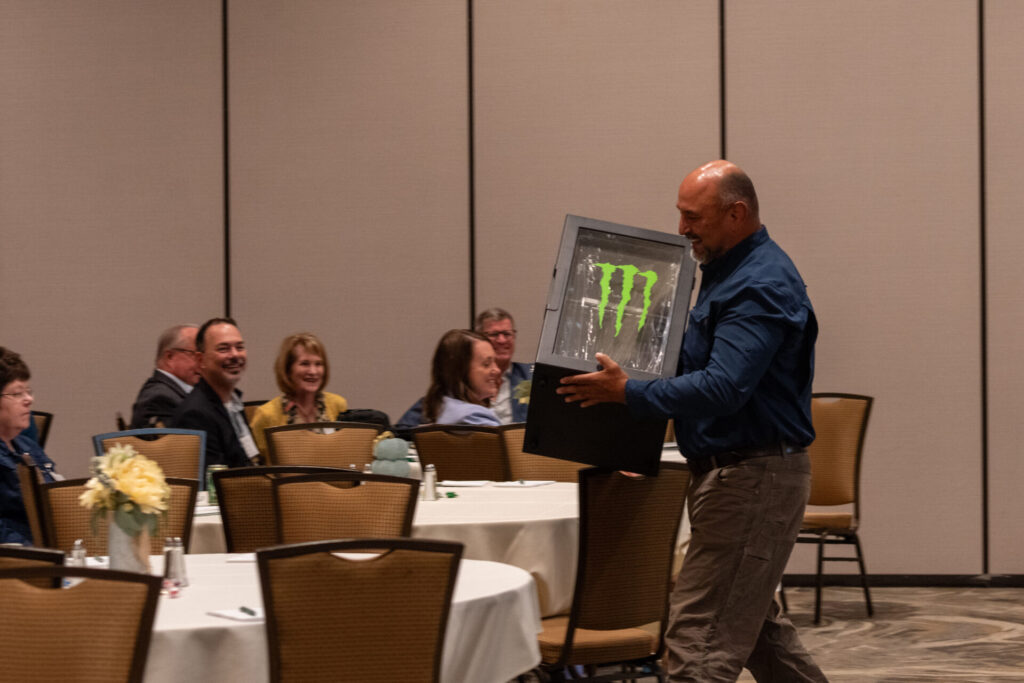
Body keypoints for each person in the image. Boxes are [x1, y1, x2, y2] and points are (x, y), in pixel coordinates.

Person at [557, 160, 826, 682]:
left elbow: (723, 388)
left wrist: (629, 395)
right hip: (735, 475)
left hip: (752, 478)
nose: (682, 229)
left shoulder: (759, 284)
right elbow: (688, 371)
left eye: (692, 216)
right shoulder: (723, 276)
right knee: (757, 637)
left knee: (696, 646)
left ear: (736, 213)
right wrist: (632, 439)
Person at [395, 309, 532, 431]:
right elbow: (402, 430)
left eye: (507, 334)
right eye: (494, 334)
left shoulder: (531, 376)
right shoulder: (474, 415)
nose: (502, 340)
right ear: (462, 368)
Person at [172, 318, 258, 471]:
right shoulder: (195, 414)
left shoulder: (233, 403)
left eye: (239, 347)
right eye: (223, 349)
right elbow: (215, 482)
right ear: (200, 360)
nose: (235, 355)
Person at [248, 332, 349, 457]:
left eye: (318, 364)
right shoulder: (266, 415)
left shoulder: (337, 405)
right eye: (305, 364)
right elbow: (256, 467)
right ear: (288, 370)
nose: (313, 371)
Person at [0, 347, 59, 545]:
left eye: (28, 391)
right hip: (17, 564)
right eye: (17, 393)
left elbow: (54, 495)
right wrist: (38, 553)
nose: (29, 400)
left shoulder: (26, 445)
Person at [422, 329, 501, 426]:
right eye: (486, 364)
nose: (497, 370)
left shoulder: (442, 408)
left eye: (495, 362)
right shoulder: (474, 416)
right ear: (460, 370)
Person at [129, 324, 200, 429]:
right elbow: (174, 444)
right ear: (169, 357)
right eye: (195, 355)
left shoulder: (176, 393)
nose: (203, 363)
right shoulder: (160, 398)